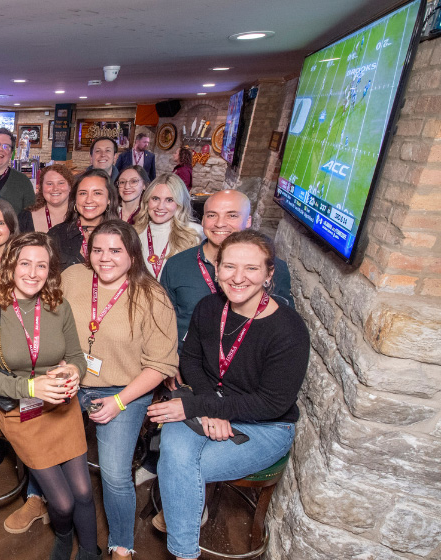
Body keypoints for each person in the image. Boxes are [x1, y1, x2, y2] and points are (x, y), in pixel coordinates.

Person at [148, 230, 310, 560]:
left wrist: (205, 407)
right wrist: (212, 409)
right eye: (229, 266)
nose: (238, 278)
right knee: (177, 460)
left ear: (269, 274)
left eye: (251, 268)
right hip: (205, 404)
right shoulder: (209, 307)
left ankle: (183, 534)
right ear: (216, 268)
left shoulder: (289, 329)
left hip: (265, 426)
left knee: (179, 467)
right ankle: (186, 551)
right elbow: (191, 359)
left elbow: (272, 403)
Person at [0, 233, 97, 560]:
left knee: (83, 491)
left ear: (50, 270)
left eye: (41, 265)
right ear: (10, 265)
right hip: (22, 410)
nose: (32, 272)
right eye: (25, 263)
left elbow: (78, 358)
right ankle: (63, 535)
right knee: (63, 501)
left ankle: (88, 550)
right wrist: (30, 388)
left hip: (60, 405)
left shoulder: (58, 305)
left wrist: (72, 373)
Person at [64, 220, 179, 560]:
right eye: (98, 250)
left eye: (115, 250)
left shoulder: (152, 295)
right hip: (72, 377)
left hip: (124, 387)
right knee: (41, 436)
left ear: (132, 254)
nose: (105, 258)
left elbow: (160, 365)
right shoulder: (73, 278)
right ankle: (37, 499)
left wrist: (118, 401)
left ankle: (121, 547)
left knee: (114, 474)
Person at [160, 190, 294, 351]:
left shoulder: (272, 269)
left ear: (248, 221)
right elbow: (162, 323)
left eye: (232, 215)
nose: (219, 223)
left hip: (243, 366)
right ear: (202, 221)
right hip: (186, 361)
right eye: (211, 215)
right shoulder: (177, 265)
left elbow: (284, 328)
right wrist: (172, 365)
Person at [134, 173, 203, 279]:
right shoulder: (134, 233)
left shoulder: (196, 233)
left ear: (180, 203)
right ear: (147, 200)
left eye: (169, 200)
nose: (160, 206)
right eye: (155, 199)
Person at [48, 168, 120, 269]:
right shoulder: (56, 235)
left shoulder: (123, 235)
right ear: (75, 199)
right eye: (83, 193)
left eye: (97, 193)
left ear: (109, 199)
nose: (89, 200)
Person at [18, 164, 73, 233]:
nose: (55, 188)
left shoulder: (81, 216)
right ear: (41, 188)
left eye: (61, 183)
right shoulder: (25, 218)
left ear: (70, 187)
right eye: (49, 184)